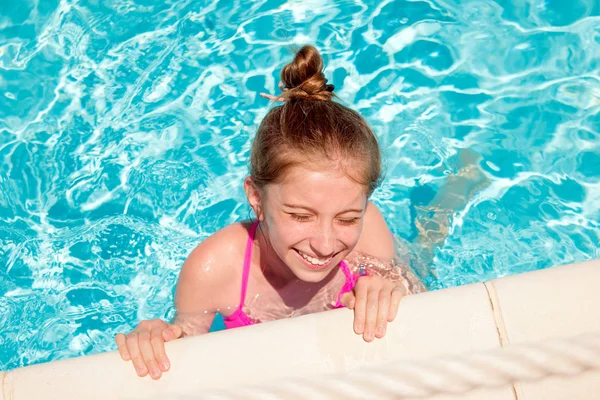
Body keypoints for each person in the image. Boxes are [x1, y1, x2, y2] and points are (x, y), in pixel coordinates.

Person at [115, 45, 426, 380]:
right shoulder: (214, 270)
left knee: (426, 247)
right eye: (301, 215)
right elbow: (186, 354)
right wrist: (157, 339)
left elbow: (423, 306)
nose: (324, 245)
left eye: (347, 218)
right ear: (256, 197)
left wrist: (392, 291)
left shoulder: (369, 232)